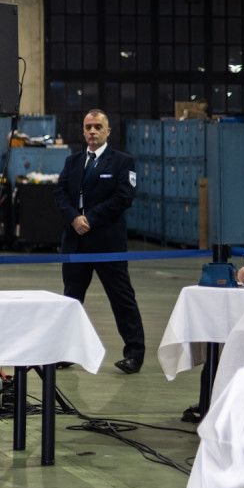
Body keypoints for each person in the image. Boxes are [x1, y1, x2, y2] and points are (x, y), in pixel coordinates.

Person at [55, 108, 145, 373]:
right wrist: (74, 218)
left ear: (108, 131)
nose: (92, 131)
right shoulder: (72, 161)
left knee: (121, 298)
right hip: (76, 242)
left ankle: (134, 354)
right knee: (72, 299)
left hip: (108, 243)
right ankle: (66, 352)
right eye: (88, 127)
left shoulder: (122, 162)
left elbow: (123, 198)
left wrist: (90, 219)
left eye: (97, 127)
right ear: (83, 131)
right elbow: (60, 193)